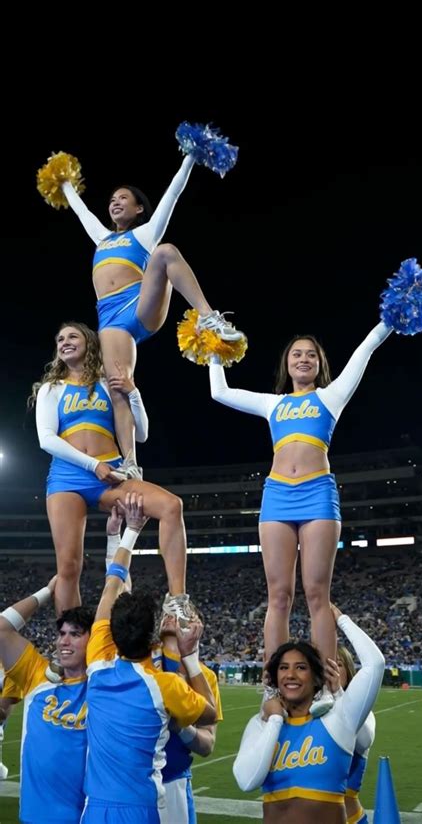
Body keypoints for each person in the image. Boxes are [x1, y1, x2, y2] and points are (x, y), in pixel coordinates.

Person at [209, 319, 392, 694]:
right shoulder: (272, 403)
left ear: (320, 364)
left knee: (315, 594)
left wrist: (389, 319)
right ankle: (274, 684)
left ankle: (327, 686)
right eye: (297, 354)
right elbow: (219, 391)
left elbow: (365, 350)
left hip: (317, 495)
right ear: (287, 364)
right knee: (278, 596)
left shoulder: (331, 396)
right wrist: (212, 348)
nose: (303, 359)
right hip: (276, 495)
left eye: (311, 354)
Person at [58, 150, 243, 478]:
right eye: (113, 199)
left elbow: (174, 192)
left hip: (142, 304)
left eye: (124, 199)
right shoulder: (101, 237)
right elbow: (81, 210)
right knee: (118, 385)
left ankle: (207, 316)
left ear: (139, 208)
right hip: (112, 319)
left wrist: (190, 158)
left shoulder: (144, 234)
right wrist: (66, 183)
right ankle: (130, 462)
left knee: (166, 252)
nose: (115, 203)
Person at [29, 321, 194, 623]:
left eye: (72, 336)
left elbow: (140, 434)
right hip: (69, 479)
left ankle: (177, 599)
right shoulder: (52, 388)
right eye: (60, 338)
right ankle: (73, 641)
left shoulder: (108, 383)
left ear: (89, 343)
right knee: (68, 566)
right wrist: (94, 466)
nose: (64, 341)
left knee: (172, 506)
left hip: (115, 474)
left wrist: (134, 394)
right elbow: (47, 438)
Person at [82, 492, 217, 824]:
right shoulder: (168, 683)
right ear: (155, 633)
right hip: (146, 797)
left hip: (166, 785)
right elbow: (117, 596)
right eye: (172, 611)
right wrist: (191, 657)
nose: (177, 617)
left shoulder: (101, 664)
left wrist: (126, 532)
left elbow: (112, 590)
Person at [233, 605, 384, 824]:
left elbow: (375, 664)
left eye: (301, 667)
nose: (291, 675)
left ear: (316, 676)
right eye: (283, 668)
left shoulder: (338, 719)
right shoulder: (261, 724)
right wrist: (275, 719)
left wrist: (341, 620)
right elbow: (246, 781)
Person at [0, 576, 94, 824]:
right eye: (61, 633)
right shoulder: (37, 675)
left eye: (75, 634)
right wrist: (46, 592)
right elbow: (1, 628)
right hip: (34, 816)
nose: (64, 641)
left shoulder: (103, 685)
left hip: (86, 816)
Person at [156, 612, 223, 824]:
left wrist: (181, 727)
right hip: (132, 781)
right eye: (167, 610)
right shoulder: (142, 660)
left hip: (173, 782)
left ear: (196, 626)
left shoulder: (205, 677)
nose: (170, 614)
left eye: (180, 612)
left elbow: (207, 745)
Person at [337, 645, 375, 824]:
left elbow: (364, 741)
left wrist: (338, 695)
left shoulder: (362, 711)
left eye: (338, 664)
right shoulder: (308, 711)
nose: (332, 670)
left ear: (349, 671)